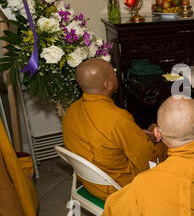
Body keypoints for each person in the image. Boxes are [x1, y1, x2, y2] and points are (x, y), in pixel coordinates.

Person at [62, 59, 167, 200]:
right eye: (114, 73)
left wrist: (137, 135)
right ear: (108, 84)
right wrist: (164, 139)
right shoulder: (118, 119)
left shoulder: (71, 109)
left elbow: (102, 140)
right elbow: (148, 161)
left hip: (91, 182)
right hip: (118, 187)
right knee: (173, 147)